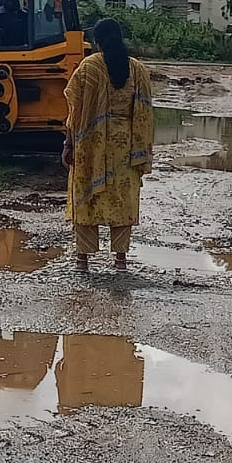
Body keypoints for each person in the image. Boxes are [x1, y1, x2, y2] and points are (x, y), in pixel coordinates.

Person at [62, 18, 154, 274]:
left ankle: (83, 260)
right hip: (125, 145)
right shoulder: (137, 69)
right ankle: (121, 261)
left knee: (86, 197)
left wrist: (68, 143)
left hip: (92, 143)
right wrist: (142, 150)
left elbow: (75, 109)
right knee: (122, 200)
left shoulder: (89, 67)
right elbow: (145, 112)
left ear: (97, 41)